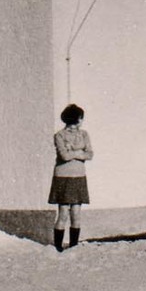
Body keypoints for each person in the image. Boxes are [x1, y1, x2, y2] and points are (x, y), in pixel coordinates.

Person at [49, 103, 93, 250]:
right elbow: (64, 155)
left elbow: (90, 154)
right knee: (63, 213)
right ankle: (58, 247)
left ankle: (74, 245)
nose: (81, 121)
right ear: (76, 118)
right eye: (81, 118)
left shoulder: (84, 134)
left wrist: (73, 150)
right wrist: (79, 153)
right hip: (63, 177)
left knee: (76, 212)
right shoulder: (60, 135)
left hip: (79, 175)